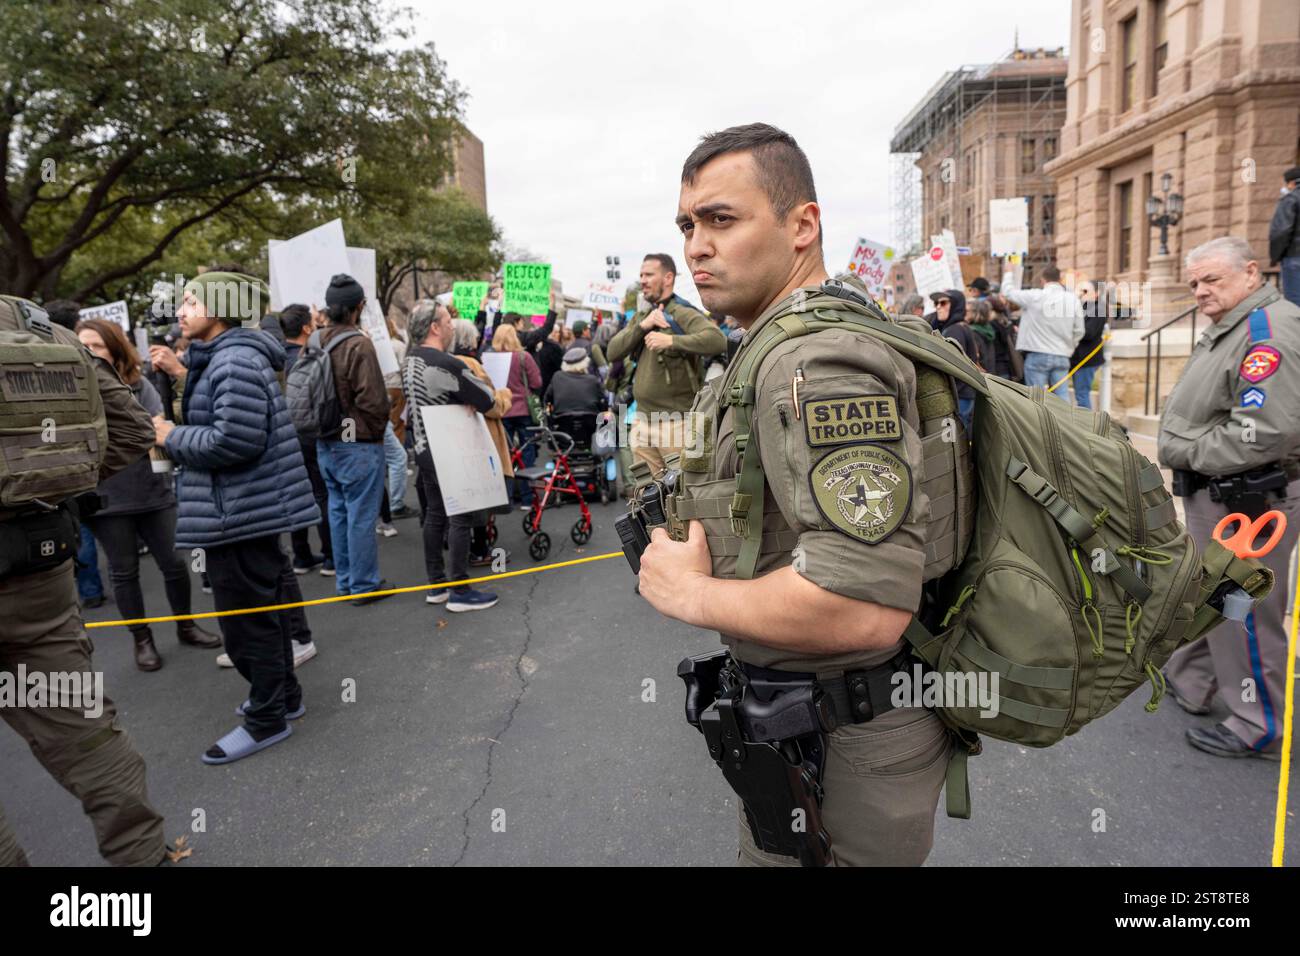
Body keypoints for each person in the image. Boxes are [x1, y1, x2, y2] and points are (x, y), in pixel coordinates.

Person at [637, 122, 951, 867]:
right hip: (810, 722)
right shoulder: (779, 343)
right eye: (687, 225)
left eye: (721, 219)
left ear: (802, 226)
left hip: (845, 736)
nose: (696, 247)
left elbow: (863, 606)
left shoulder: (818, 364)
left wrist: (688, 595)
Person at [0, 294, 169, 866]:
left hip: (39, 569)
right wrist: (42, 488)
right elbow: (131, 428)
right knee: (87, 738)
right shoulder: (33, 323)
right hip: (36, 576)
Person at [155, 271, 319, 764]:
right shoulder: (228, 358)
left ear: (221, 309)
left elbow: (235, 441)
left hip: (240, 512)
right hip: (242, 509)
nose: (179, 311)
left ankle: (265, 718)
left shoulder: (234, 362)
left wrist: (168, 437)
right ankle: (283, 699)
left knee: (247, 625)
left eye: (189, 301)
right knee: (258, 617)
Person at [1157, 236, 1300, 760]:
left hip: (1249, 497)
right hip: (1222, 492)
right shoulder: (1235, 325)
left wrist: (1181, 448)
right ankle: (1193, 680)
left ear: (1251, 273)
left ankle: (1257, 723)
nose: (1200, 290)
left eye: (1212, 279)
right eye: (1194, 282)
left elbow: (1263, 433)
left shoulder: (1267, 332)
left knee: (1244, 607)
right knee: (1212, 593)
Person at [75, 317, 222, 671]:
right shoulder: (74, 389)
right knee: (124, 572)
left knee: (173, 564)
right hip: (108, 497)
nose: (88, 352)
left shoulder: (138, 384)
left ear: (114, 347)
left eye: (95, 345)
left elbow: (158, 428)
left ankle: (186, 625)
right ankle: (142, 640)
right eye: (82, 346)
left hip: (153, 489)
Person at [403, 302, 500, 611]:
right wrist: (468, 400)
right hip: (450, 449)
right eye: (447, 321)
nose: (451, 326)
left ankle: (437, 585)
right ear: (434, 327)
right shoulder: (444, 363)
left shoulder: (409, 360)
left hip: (423, 449)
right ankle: (460, 590)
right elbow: (485, 398)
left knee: (434, 515)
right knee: (461, 516)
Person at [606, 253, 726, 476]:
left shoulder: (682, 312)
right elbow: (613, 352)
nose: (643, 280)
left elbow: (717, 340)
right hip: (642, 421)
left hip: (676, 423)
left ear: (668, 277)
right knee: (647, 499)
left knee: (685, 497)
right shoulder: (642, 316)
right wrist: (643, 326)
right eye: (641, 274)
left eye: (649, 274)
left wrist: (671, 340)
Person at [315, 274, 393, 603]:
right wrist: (370, 433)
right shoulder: (358, 343)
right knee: (360, 513)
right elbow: (373, 402)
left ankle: (346, 581)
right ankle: (362, 584)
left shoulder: (314, 341)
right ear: (357, 307)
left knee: (338, 510)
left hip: (324, 439)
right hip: (354, 441)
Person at [450, 318, 515, 567]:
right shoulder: (471, 364)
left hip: (459, 436)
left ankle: (470, 547)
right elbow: (492, 405)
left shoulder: (448, 362)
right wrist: (505, 393)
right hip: (481, 436)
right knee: (481, 498)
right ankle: (480, 550)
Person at [279, 303, 333, 575]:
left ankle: (301, 554)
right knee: (322, 492)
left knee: (296, 493)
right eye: (313, 321)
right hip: (310, 433)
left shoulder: (274, 360)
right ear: (305, 328)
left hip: (283, 436)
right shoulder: (308, 358)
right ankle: (330, 556)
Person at [1000, 265, 1084, 396]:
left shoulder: (1034, 296)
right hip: (1062, 355)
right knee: (1062, 399)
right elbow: (1079, 330)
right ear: (1060, 279)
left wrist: (1008, 273)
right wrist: (1070, 347)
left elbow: (1008, 292)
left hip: (1037, 354)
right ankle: (1063, 417)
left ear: (1042, 280)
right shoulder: (1073, 299)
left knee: (1037, 400)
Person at [491, 323, 542, 509]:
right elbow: (537, 382)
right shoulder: (523, 357)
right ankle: (527, 498)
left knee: (504, 454)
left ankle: (506, 497)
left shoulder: (491, 358)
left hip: (501, 410)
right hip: (522, 409)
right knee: (526, 452)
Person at [928, 289, 980, 429]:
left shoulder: (954, 330)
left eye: (943, 302)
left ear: (956, 305)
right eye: (936, 303)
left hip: (959, 395)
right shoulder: (958, 327)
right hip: (964, 393)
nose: (938, 306)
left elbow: (953, 367)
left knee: (958, 439)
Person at [380, 314, 413, 523]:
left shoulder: (372, 346)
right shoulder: (398, 345)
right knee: (396, 426)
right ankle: (395, 505)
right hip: (395, 387)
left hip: (380, 390)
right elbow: (403, 368)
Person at [1069, 281, 1108, 409]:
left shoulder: (1098, 309)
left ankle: (1086, 426)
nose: (1080, 294)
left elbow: (1089, 333)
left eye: (1084, 291)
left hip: (1087, 359)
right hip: (1075, 358)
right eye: (1078, 290)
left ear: (1096, 294)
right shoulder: (1078, 307)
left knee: (1082, 394)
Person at [1268, 165, 1300, 308]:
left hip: (1295, 258)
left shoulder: (1291, 199)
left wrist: (1274, 257)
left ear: (1292, 183)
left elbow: (1281, 231)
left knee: (1295, 305)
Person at [545, 347, 609, 416]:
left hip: (562, 422)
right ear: (585, 363)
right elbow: (603, 404)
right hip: (591, 422)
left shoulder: (557, 377)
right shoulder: (592, 380)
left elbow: (547, 400)